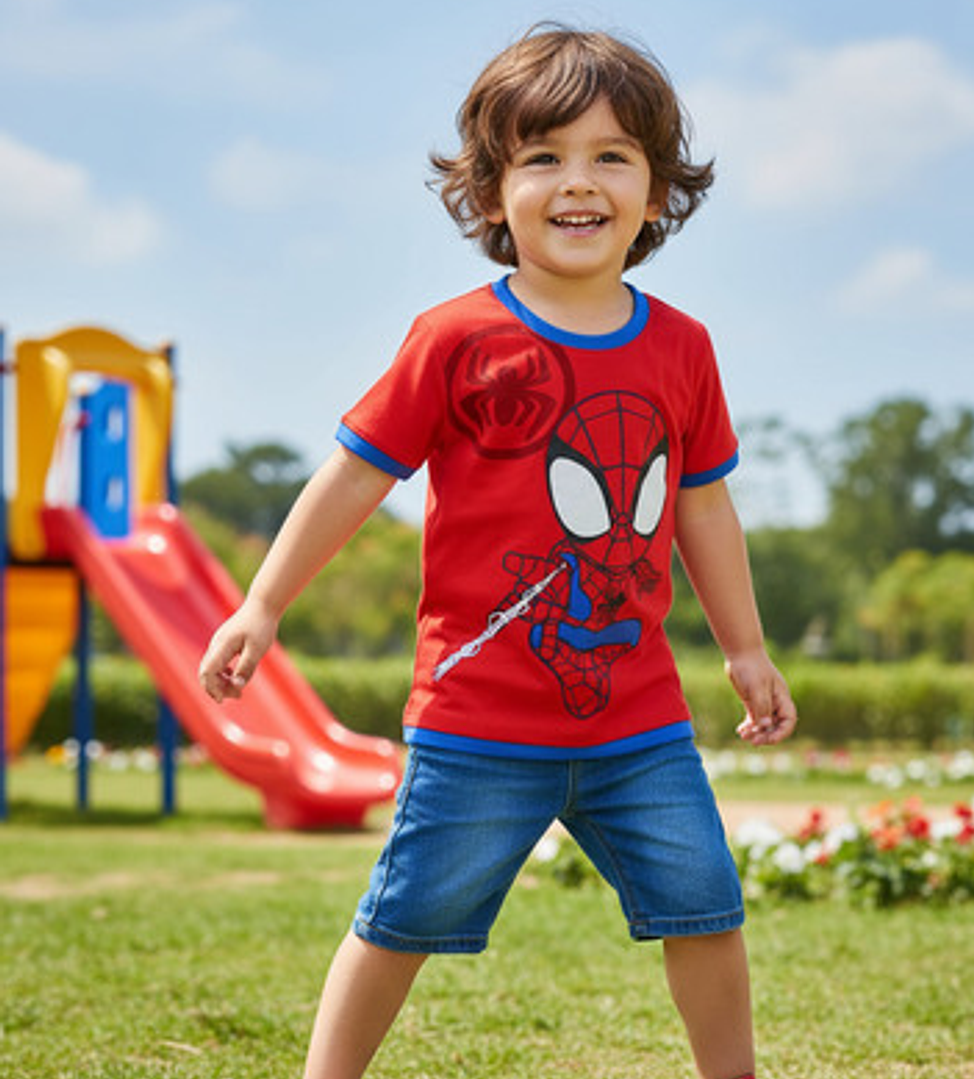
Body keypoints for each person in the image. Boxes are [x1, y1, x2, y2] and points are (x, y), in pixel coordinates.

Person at [198, 24, 797, 1079]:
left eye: (612, 156)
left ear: (657, 191)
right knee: (400, 917)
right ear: (489, 193)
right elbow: (355, 474)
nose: (579, 181)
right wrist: (262, 602)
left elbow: (702, 508)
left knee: (705, 902)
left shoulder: (682, 348)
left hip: (638, 723)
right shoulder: (453, 338)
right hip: (474, 723)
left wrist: (744, 649)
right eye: (543, 157)